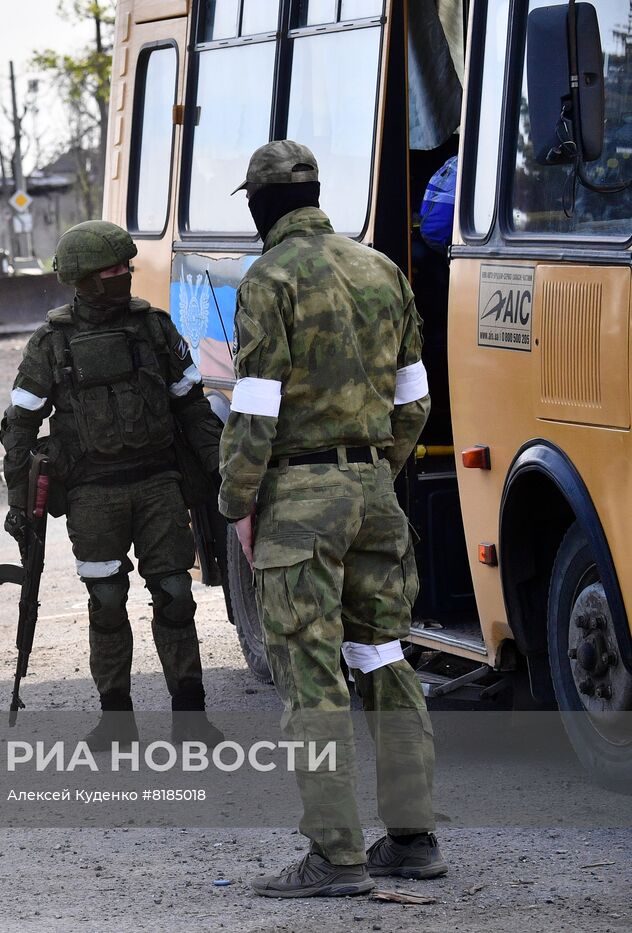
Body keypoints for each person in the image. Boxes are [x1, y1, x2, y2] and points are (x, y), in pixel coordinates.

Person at [217, 140, 445, 898]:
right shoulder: (382, 268)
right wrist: (376, 467)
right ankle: (412, 840)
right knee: (383, 657)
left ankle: (336, 856)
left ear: (257, 207)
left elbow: (255, 408)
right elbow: (415, 399)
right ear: (316, 193)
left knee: (312, 678)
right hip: (376, 489)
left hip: (298, 502)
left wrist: (237, 503)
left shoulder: (268, 279)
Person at [0, 220, 226, 749]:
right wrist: (18, 504)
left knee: (175, 595)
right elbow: (20, 426)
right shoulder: (51, 344)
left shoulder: (155, 328)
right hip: (91, 496)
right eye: (111, 270)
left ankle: (191, 720)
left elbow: (191, 406)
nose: (123, 275)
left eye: (126, 267)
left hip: (158, 486)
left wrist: (220, 469)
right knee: (105, 602)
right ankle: (115, 721)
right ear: (83, 278)